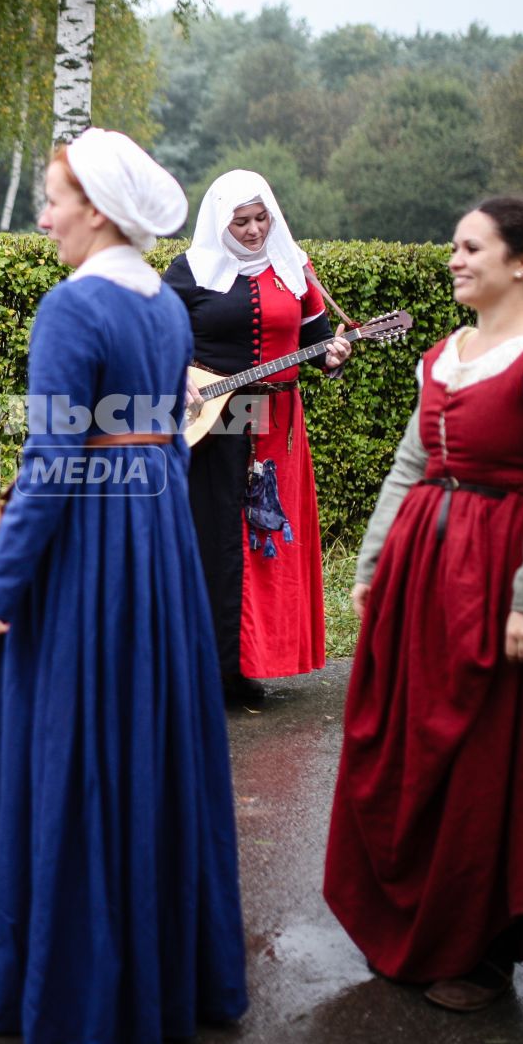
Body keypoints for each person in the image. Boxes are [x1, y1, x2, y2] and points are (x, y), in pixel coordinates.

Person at [0, 130, 247, 1044]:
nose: (44, 215)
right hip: (155, 537)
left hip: (91, 550)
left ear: (99, 209)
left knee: (65, 743)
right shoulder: (167, 310)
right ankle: (159, 970)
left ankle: (73, 980)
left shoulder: (72, 309)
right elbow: (163, 439)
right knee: (147, 742)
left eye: (54, 197)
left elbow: (56, 461)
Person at [324, 196, 523, 1011]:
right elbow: (409, 466)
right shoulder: (442, 356)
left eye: (470, 247)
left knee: (491, 764)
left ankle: (482, 948)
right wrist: (375, 560)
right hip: (428, 575)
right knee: (412, 753)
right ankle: (417, 922)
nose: (454, 259)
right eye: (454, 247)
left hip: (510, 579)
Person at [163, 170, 351, 708]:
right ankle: (205, 671)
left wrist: (335, 357)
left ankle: (248, 666)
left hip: (277, 430)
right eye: (240, 221)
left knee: (264, 548)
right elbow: (156, 337)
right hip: (213, 427)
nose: (252, 231)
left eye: (260, 218)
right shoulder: (190, 271)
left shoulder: (294, 269)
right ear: (219, 222)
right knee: (214, 543)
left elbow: (318, 342)